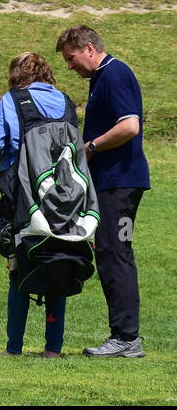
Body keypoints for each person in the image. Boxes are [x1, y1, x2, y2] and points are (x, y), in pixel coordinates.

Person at [56, 26, 148, 358]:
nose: (69, 66)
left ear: (90, 48)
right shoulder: (102, 78)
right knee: (110, 251)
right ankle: (124, 336)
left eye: (71, 58)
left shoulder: (114, 74)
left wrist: (90, 146)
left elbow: (129, 126)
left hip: (120, 181)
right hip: (110, 181)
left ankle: (126, 338)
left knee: (115, 252)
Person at [0, 53, 72, 358]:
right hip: (63, 196)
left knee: (19, 264)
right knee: (58, 262)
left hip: (22, 195)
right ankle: (53, 348)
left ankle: (14, 347)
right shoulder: (66, 101)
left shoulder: (13, 99)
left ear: (17, 74)